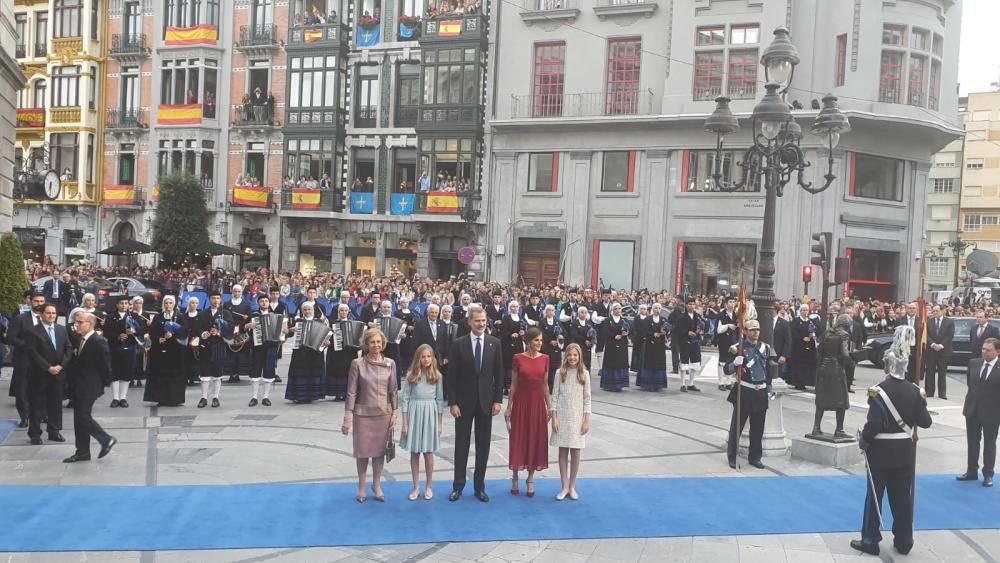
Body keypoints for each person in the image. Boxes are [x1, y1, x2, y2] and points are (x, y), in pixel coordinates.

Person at [852, 325, 932, 556]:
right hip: (905, 452)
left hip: (880, 452)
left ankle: (870, 540)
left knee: (874, 498)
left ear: (888, 365)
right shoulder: (916, 391)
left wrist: (864, 440)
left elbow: (874, 425)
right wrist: (920, 404)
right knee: (901, 498)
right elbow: (925, 422)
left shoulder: (879, 391)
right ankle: (904, 540)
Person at [446, 304, 504, 502]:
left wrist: (498, 400)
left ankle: (480, 487)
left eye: (483, 320)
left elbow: (499, 374)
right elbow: (451, 376)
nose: (481, 324)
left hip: (486, 403)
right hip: (463, 404)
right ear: (470, 321)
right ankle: (458, 486)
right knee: (461, 445)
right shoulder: (458, 344)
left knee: (483, 446)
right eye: (477, 320)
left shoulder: (494, 343)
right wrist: (452, 403)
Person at [341, 328, 398, 503]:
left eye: (379, 342)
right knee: (363, 452)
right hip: (363, 414)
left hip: (384, 414)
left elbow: (393, 390)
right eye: (372, 342)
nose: (376, 345)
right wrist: (347, 416)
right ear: (366, 344)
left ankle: (377, 484)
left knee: (379, 452)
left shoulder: (390, 363)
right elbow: (351, 391)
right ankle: (361, 486)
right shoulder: (357, 364)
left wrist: (395, 411)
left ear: (383, 344)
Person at [63, 313, 117, 463]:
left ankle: (106, 439)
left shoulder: (97, 341)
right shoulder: (82, 340)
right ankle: (82, 451)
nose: (77, 325)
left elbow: (106, 366)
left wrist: (101, 384)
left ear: (90, 324)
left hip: (90, 385)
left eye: (80, 322)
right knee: (78, 419)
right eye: (76, 322)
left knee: (83, 417)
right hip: (79, 385)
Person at [723, 319, 775, 469]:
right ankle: (732, 456)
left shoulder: (765, 347)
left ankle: (755, 457)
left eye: (757, 329)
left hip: (760, 391)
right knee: (736, 427)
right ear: (744, 331)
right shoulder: (736, 348)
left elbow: (767, 371)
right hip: (744, 391)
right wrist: (735, 364)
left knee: (758, 428)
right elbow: (726, 369)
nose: (756, 332)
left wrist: (769, 389)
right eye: (752, 330)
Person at [506, 327, 550, 497]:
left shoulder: (545, 358)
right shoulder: (517, 358)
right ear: (528, 341)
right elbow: (514, 384)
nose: (540, 343)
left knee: (535, 438)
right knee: (519, 438)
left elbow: (545, 385)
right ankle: (515, 475)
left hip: (538, 404)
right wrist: (509, 406)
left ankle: (530, 478)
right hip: (521, 403)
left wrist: (550, 406)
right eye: (536, 340)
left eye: (541, 340)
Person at [400, 344, 445, 501]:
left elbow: (439, 401)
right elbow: (404, 399)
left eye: (428, 356)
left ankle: (429, 486)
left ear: (432, 358)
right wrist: (405, 423)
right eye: (423, 357)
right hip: (414, 413)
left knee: (428, 452)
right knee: (414, 452)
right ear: (418, 358)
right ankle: (416, 487)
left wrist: (439, 423)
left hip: (429, 413)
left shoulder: (437, 376)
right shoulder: (412, 374)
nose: (426, 359)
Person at [25, 303, 72, 445]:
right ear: (41, 314)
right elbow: (32, 353)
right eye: (48, 313)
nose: (51, 316)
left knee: (55, 404)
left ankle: (54, 431)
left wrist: (61, 366)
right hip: (40, 374)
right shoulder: (32, 331)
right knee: (37, 404)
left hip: (58, 374)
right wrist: (48, 367)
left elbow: (68, 349)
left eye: (53, 313)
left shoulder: (62, 330)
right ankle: (34, 433)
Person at [957, 337, 1000, 488]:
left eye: (988, 350)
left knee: (989, 444)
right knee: (972, 442)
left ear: (997, 352)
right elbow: (971, 384)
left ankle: (988, 473)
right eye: (983, 349)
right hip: (972, 410)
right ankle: (971, 471)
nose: (984, 352)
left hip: (992, 412)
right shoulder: (974, 363)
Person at [550, 343, 591, 500]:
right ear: (565, 356)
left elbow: (587, 399)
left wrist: (587, 419)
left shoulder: (584, 374)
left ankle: (572, 485)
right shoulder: (560, 373)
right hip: (562, 416)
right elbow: (555, 396)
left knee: (576, 451)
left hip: (577, 417)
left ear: (579, 356)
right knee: (562, 450)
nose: (572, 358)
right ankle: (564, 486)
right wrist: (554, 417)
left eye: (575, 355)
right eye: (569, 355)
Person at [811, 314, 854, 439]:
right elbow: (845, 354)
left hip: (824, 368)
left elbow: (819, 352)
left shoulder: (826, 333)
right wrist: (852, 362)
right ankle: (839, 429)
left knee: (822, 398)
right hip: (836, 370)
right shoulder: (843, 335)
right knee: (841, 400)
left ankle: (816, 427)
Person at [7, 291, 46, 427]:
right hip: (24, 359)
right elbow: (10, 337)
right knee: (22, 389)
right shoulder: (20, 319)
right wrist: (27, 345)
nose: (39, 304)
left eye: (42, 301)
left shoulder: (49, 317)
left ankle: (41, 414)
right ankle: (25, 417)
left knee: (42, 387)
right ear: (30, 301)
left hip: (43, 360)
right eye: (36, 301)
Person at [145, 295, 188, 407]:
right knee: (161, 375)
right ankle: (161, 398)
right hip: (160, 350)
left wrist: (174, 334)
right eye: (166, 303)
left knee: (175, 376)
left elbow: (185, 331)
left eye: (170, 303)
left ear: (174, 304)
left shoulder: (180, 317)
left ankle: (174, 399)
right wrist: (158, 338)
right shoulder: (158, 317)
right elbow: (152, 332)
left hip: (176, 350)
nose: (168, 305)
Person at [285, 302, 327, 403]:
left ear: (313, 310)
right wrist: (291, 330)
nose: (307, 312)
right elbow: (287, 334)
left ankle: (311, 396)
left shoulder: (319, 321)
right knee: (300, 373)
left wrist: (326, 341)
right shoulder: (297, 321)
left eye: (309, 309)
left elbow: (325, 335)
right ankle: (300, 396)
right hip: (300, 352)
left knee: (313, 373)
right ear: (302, 311)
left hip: (314, 353)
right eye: (305, 310)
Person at [103, 296, 140, 408]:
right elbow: (106, 332)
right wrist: (117, 337)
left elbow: (141, 330)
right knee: (115, 372)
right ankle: (115, 398)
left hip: (129, 347)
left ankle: (123, 397)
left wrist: (132, 332)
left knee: (126, 372)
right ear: (117, 305)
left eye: (126, 303)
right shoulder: (110, 317)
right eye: (121, 303)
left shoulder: (134, 316)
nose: (124, 305)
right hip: (115, 347)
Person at [196, 292, 231, 408]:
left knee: (217, 372)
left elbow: (231, 329)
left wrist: (219, 333)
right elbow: (197, 329)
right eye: (213, 298)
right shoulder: (202, 314)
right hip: (205, 346)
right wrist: (203, 334)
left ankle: (215, 397)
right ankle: (203, 397)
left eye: (217, 298)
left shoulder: (225, 313)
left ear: (221, 300)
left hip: (219, 346)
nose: (215, 300)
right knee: (204, 372)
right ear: (209, 299)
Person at [247, 294, 280, 407]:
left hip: (271, 347)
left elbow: (284, 332)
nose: (264, 303)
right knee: (255, 372)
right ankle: (254, 397)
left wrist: (285, 333)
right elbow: (242, 327)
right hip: (257, 347)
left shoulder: (275, 316)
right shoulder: (253, 315)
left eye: (266, 301)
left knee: (269, 372)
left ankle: (266, 397)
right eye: (262, 301)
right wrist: (247, 325)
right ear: (258, 303)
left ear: (269, 303)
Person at [223, 285, 252, 383]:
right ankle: (231, 373)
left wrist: (246, 319)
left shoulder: (246, 305)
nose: (237, 293)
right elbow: (224, 317)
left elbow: (250, 319)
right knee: (230, 354)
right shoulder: (226, 304)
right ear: (232, 292)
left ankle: (238, 373)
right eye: (235, 291)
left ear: (241, 292)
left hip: (242, 331)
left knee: (240, 354)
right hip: (230, 331)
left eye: (239, 291)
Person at [924, 304, 954, 400]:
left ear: (942, 311)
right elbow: (926, 335)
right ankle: (929, 391)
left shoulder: (949, 322)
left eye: (937, 311)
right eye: (933, 311)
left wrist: (941, 345)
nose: (935, 313)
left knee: (942, 373)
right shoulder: (929, 321)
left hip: (943, 351)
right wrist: (932, 344)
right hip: (931, 350)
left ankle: (942, 393)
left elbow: (950, 335)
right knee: (929, 372)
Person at [674, 299, 704, 392]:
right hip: (685, 341)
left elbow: (703, 324)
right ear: (686, 305)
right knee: (684, 362)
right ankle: (682, 384)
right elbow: (677, 329)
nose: (691, 306)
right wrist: (687, 332)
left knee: (695, 362)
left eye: (693, 304)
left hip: (695, 341)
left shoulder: (697, 316)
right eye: (690, 304)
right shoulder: (681, 317)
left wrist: (700, 329)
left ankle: (691, 383)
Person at [637, 303, 669, 391]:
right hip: (649, 345)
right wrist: (653, 334)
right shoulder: (648, 319)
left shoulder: (663, 320)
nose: (657, 310)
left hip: (660, 345)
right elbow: (644, 331)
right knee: (649, 363)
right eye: (656, 308)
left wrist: (665, 332)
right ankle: (648, 384)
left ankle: (658, 384)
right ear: (653, 309)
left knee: (659, 363)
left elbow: (667, 331)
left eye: (659, 308)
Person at [788, 304, 820, 390]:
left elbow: (815, 331)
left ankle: (806, 381)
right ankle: (798, 382)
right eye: (804, 310)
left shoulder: (810, 321)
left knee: (807, 366)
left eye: (807, 310)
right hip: (799, 348)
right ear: (801, 311)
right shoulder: (796, 321)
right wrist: (802, 337)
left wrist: (813, 335)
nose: (806, 312)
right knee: (798, 365)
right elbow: (793, 333)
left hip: (809, 348)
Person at [599, 303, 630, 391]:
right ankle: (609, 384)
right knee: (611, 362)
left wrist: (627, 333)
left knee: (620, 362)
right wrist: (613, 336)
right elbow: (605, 332)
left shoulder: (624, 320)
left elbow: (630, 331)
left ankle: (620, 384)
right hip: (611, 345)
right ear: (613, 310)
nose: (618, 310)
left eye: (619, 308)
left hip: (622, 345)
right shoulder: (608, 320)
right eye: (616, 308)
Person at [716, 298, 739, 391]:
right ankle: (721, 382)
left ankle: (728, 382)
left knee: (731, 361)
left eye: (733, 302)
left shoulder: (736, 315)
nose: (732, 304)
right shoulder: (721, 315)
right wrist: (728, 326)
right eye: (730, 302)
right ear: (726, 304)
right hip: (723, 340)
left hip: (733, 341)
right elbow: (718, 330)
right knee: (722, 361)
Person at [539, 304, 563, 391]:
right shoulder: (542, 321)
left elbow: (564, 332)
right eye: (548, 310)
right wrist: (550, 340)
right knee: (545, 368)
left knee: (554, 368)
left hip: (556, 348)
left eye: (552, 310)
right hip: (546, 347)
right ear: (546, 311)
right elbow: (541, 333)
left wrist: (560, 337)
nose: (550, 312)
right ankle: (544, 386)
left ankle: (552, 386)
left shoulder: (557, 321)